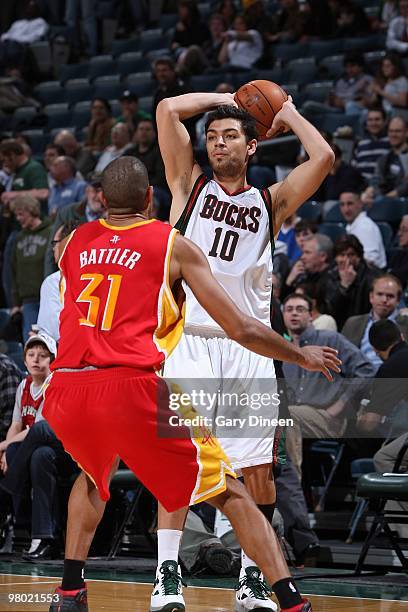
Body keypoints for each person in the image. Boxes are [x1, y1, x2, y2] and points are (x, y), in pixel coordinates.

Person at [44, 156, 340, 612]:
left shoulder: (72, 243)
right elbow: (241, 328)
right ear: (150, 198)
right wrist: (299, 353)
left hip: (66, 388)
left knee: (90, 475)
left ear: (101, 199)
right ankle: (290, 599)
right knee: (229, 488)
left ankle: (69, 590)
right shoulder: (171, 244)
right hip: (129, 384)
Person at [155, 90, 334, 611]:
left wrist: (289, 112)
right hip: (190, 342)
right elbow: (167, 109)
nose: (217, 144)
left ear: (254, 146)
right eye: (211, 136)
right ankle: (168, 576)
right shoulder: (187, 186)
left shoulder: (270, 203)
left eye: (230, 135)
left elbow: (322, 158)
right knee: (179, 461)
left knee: (256, 471)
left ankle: (252, 579)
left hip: (250, 351)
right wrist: (227, 99)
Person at [282, 293, 375, 477]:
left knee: (286, 416)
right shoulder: (285, 350)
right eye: (289, 310)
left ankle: (291, 484)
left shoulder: (330, 339)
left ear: (311, 316)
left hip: (328, 417)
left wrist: (342, 403)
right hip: (298, 416)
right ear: (283, 315)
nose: (294, 314)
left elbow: (367, 370)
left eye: (300, 309)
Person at [0, 332, 59, 559]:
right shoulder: (23, 385)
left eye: (43, 356)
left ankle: (6, 494)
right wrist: (6, 448)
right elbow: (16, 425)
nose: (36, 359)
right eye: (31, 355)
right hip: (38, 452)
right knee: (37, 456)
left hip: (63, 448)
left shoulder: (54, 384)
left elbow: (37, 430)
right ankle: (41, 538)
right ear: (24, 360)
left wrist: (1, 445)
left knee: (39, 431)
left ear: (52, 360)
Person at [342, 274, 408, 370]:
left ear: (398, 301)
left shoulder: (405, 324)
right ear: (371, 297)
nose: (384, 300)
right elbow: (341, 357)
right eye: (380, 294)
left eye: (390, 296)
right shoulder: (353, 323)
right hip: (357, 378)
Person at [10, 195, 52, 341]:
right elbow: (14, 270)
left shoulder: (50, 232)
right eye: (16, 214)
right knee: (31, 343)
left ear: (32, 211)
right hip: (28, 301)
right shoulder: (19, 237)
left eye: (21, 214)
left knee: (50, 342)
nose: (18, 218)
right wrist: (15, 303)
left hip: (48, 298)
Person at [327, 234, 380, 329]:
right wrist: (344, 285)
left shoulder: (372, 279)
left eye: (351, 255)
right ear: (335, 258)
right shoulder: (330, 275)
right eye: (342, 255)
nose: (346, 260)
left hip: (362, 327)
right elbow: (331, 311)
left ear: (359, 257)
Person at [339, 191, 386, 269]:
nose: (346, 209)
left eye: (350, 204)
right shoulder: (352, 225)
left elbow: (371, 259)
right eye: (342, 204)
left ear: (360, 204)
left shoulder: (365, 226)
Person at [351, 108, 390, 181]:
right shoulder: (361, 144)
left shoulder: (391, 142)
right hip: (360, 185)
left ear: (385, 122)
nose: (373, 123)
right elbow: (353, 168)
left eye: (377, 119)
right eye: (370, 120)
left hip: (381, 185)